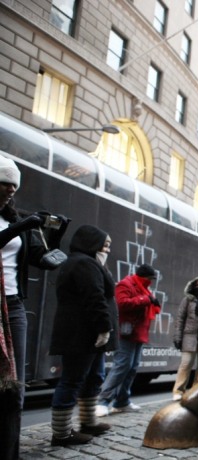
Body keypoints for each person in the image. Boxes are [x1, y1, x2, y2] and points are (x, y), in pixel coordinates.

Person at [0, 155, 70, 458]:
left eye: (14, 186)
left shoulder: (18, 220)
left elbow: (45, 261)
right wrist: (25, 225)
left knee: (14, 387)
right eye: (4, 184)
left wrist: (56, 234)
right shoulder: (20, 223)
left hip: (13, 306)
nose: (10, 191)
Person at [49, 225, 117, 446]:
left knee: (93, 377)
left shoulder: (89, 263)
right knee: (73, 380)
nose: (106, 250)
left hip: (87, 334)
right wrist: (104, 327)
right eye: (104, 245)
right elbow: (94, 297)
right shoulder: (83, 263)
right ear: (91, 243)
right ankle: (61, 433)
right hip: (82, 333)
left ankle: (88, 422)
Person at [96, 264, 160, 416]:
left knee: (131, 368)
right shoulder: (126, 284)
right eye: (150, 279)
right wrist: (146, 299)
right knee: (122, 365)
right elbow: (121, 303)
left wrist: (150, 300)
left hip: (137, 332)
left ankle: (122, 401)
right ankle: (103, 401)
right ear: (144, 277)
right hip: (126, 333)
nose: (151, 282)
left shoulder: (143, 288)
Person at [171, 276, 198, 401]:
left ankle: (196, 390)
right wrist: (178, 336)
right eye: (197, 284)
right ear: (193, 286)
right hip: (189, 336)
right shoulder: (187, 300)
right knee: (186, 364)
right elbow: (180, 318)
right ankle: (178, 391)